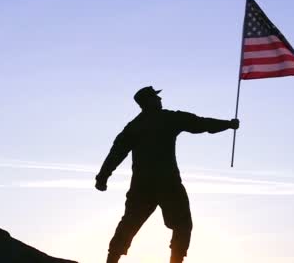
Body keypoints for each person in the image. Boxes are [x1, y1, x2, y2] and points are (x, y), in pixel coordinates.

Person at [95, 86, 240, 263]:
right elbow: (200, 124)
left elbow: (115, 154)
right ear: (149, 101)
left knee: (129, 225)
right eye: (157, 98)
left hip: (142, 185)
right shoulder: (168, 118)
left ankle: (112, 259)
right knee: (182, 224)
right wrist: (229, 124)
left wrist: (102, 178)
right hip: (168, 184)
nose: (160, 100)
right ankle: (176, 260)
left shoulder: (134, 126)